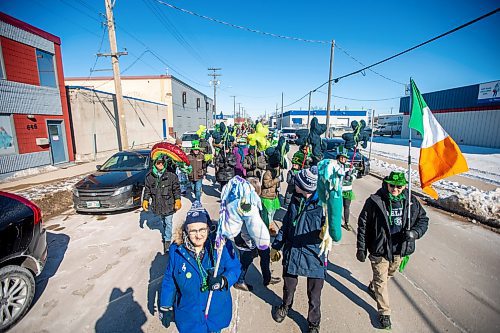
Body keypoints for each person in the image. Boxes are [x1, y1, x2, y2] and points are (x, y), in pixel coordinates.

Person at [357, 171, 429, 329]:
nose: (395, 189)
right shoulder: (374, 201)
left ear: (404, 186)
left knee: (390, 273)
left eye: (399, 186)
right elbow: (363, 224)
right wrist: (361, 248)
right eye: (392, 185)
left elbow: (423, 219)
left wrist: (415, 233)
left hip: (400, 249)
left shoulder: (411, 202)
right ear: (386, 184)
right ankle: (384, 313)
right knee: (382, 281)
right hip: (379, 248)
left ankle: (373, 286)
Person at [159, 203, 241, 333]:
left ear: (208, 228)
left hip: (215, 313)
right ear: (186, 230)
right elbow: (170, 279)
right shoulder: (176, 250)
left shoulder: (221, 245)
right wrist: (165, 305)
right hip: (189, 318)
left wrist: (223, 280)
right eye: (193, 231)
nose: (198, 235)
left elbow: (235, 268)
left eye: (202, 229)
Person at [271, 166, 325, 333]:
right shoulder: (295, 199)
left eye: (297, 182)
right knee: (289, 287)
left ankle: (313, 323)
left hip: (315, 254)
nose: (293, 184)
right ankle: (285, 306)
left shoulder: (323, 205)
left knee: (314, 295)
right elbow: (286, 225)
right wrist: (276, 245)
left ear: (306, 186)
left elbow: (333, 231)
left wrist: (326, 232)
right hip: (293, 251)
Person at [234, 177, 281, 291]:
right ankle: (239, 281)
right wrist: (251, 245)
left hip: (258, 238)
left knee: (265, 256)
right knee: (246, 261)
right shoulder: (244, 206)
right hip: (246, 241)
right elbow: (244, 231)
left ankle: (267, 277)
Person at [143, 155, 182, 253]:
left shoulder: (171, 175)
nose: (160, 165)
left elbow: (176, 189)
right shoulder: (150, 176)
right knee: (164, 222)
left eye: (162, 163)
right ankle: (166, 234)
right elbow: (147, 190)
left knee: (168, 222)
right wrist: (145, 200)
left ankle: (167, 241)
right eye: (158, 163)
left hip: (169, 203)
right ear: (155, 163)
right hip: (158, 204)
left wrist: (177, 200)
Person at [337, 147, 357, 231]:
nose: (343, 159)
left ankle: (346, 222)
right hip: (338, 190)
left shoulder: (350, 166)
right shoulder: (335, 165)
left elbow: (355, 173)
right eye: (341, 157)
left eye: (344, 157)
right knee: (338, 207)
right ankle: (336, 223)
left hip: (348, 190)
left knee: (346, 207)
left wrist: (351, 177)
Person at [260, 158, 282, 235]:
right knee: (268, 214)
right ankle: (268, 229)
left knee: (273, 212)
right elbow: (266, 184)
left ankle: (269, 225)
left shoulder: (276, 172)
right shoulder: (267, 173)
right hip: (267, 196)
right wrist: (277, 180)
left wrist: (279, 185)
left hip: (273, 195)